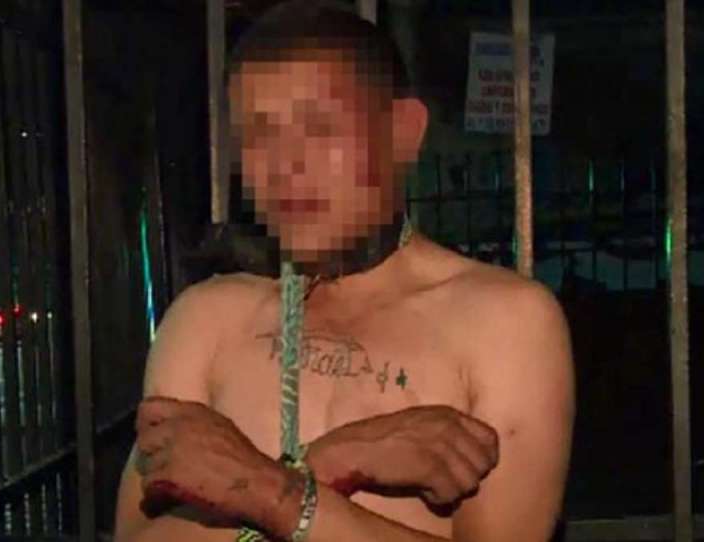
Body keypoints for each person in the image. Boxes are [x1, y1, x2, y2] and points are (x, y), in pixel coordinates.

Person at [114, 2, 575, 541]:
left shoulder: (504, 322)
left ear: (403, 133)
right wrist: (337, 460)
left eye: (320, 127)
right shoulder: (206, 321)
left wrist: (255, 485)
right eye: (259, 134)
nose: (287, 166)